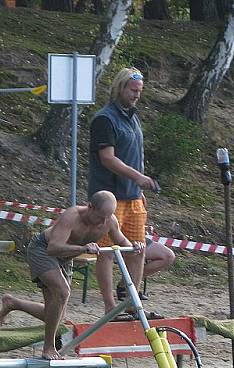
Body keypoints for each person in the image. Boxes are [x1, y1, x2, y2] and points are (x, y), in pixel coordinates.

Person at [0, 191, 142, 360]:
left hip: (65, 258)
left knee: (55, 315)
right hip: (43, 250)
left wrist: (134, 247)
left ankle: (12, 303)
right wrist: (83, 249)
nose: (103, 221)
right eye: (100, 216)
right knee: (63, 292)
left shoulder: (109, 220)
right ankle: (48, 347)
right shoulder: (72, 216)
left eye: (108, 217)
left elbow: (123, 243)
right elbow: (53, 247)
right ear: (90, 207)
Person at [88, 67, 160, 315]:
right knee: (108, 252)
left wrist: (139, 191)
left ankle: (130, 302)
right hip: (110, 197)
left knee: (138, 249)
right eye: (133, 90)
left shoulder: (133, 117)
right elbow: (108, 159)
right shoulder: (105, 119)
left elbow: (134, 156)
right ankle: (110, 306)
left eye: (140, 91)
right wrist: (139, 178)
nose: (137, 95)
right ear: (120, 88)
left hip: (133, 198)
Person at [116, 227, 175, 301]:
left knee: (168, 256)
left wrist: (143, 227)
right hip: (121, 234)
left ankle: (126, 285)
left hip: (137, 234)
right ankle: (125, 290)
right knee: (136, 253)